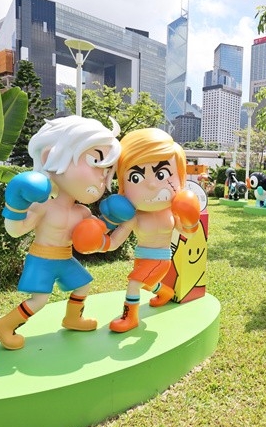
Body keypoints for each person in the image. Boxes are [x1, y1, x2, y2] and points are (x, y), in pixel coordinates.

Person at [0, 116, 126, 350]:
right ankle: (5, 325)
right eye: (95, 162)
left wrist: (114, 221)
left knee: (83, 285)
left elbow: (98, 236)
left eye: (106, 171)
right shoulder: (43, 206)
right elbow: (15, 231)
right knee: (39, 300)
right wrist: (15, 206)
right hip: (41, 258)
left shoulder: (82, 212)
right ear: (49, 157)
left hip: (65, 258)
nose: (101, 177)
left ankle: (73, 318)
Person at [75, 128, 201, 333]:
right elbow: (115, 242)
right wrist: (99, 243)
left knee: (134, 283)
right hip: (140, 257)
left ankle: (130, 317)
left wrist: (190, 220)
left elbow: (188, 233)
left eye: (161, 174)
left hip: (160, 259)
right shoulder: (134, 216)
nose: (151, 184)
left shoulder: (171, 211)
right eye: (136, 177)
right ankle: (165, 292)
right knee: (148, 283)